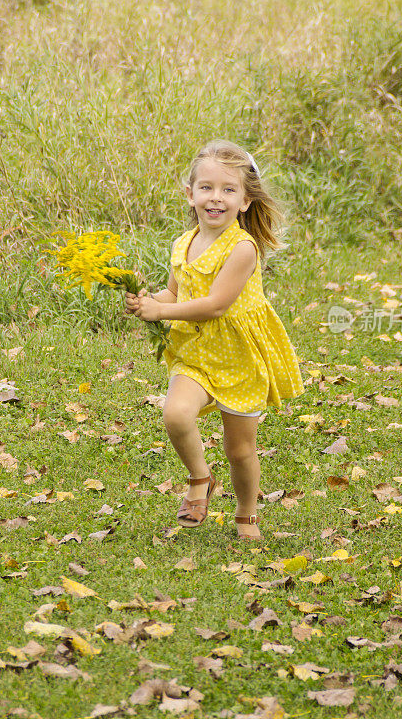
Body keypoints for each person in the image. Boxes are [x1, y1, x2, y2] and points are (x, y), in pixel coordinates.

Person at [125, 140, 304, 540]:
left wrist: (161, 312)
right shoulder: (182, 243)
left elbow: (215, 305)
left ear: (244, 200)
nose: (215, 198)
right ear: (189, 194)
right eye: (206, 188)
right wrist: (147, 301)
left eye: (228, 189)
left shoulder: (243, 248)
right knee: (175, 415)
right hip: (196, 353)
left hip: (241, 357)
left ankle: (246, 513)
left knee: (239, 450)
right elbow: (176, 296)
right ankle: (200, 478)